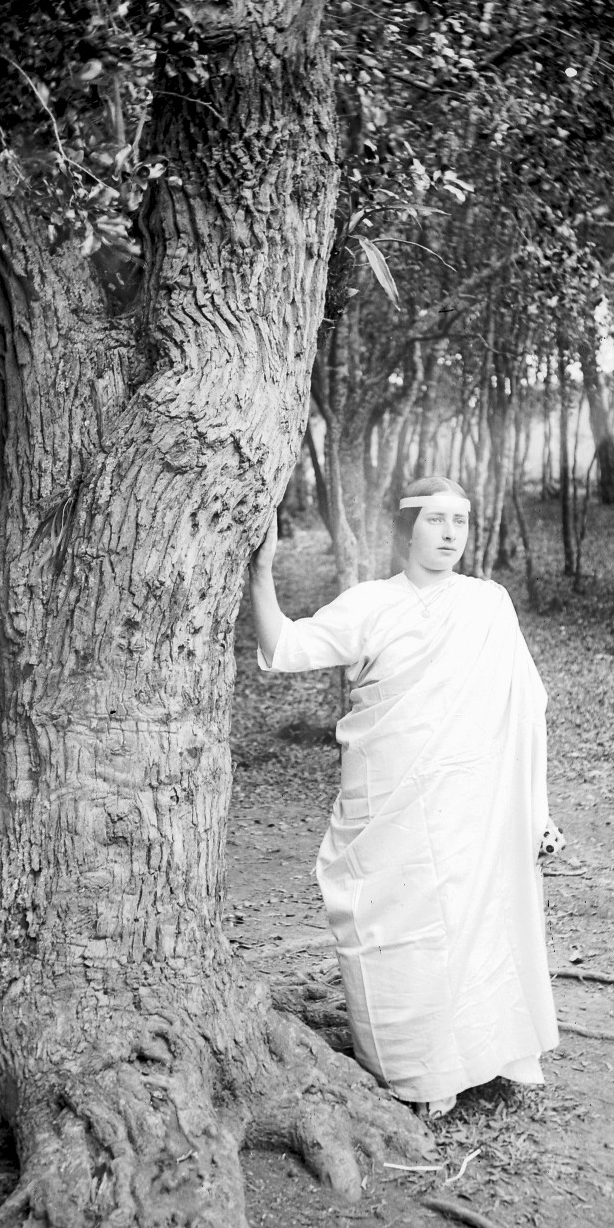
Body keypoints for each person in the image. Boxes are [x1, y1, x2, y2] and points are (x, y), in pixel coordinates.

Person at [249, 476, 559, 1119]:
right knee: (396, 923)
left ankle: (481, 1052)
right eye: (436, 520)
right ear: (406, 528)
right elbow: (286, 646)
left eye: (461, 522)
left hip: (469, 800)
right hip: (388, 798)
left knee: (474, 918)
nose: (450, 534)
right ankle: (418, 1068)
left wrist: (535, 809)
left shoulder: (488, 604)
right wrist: (261, 573)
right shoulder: (370, 604)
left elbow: (525, 705)